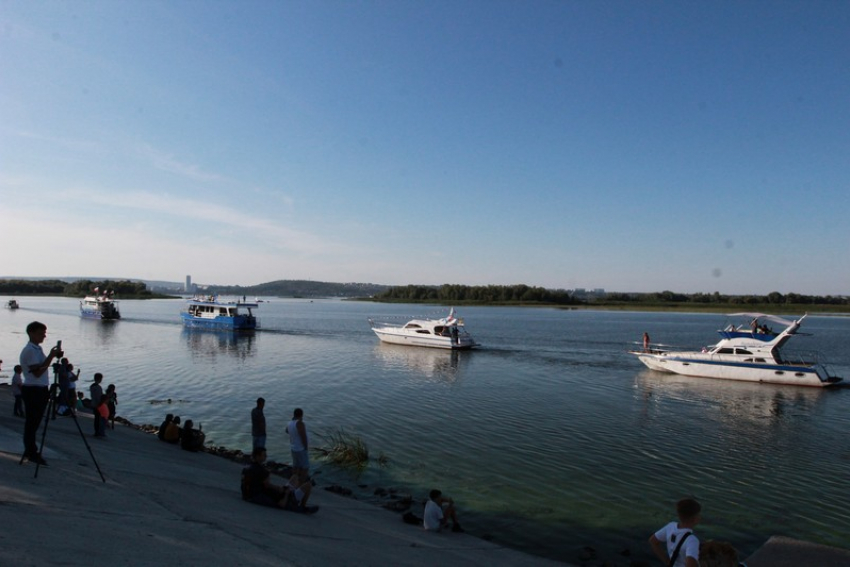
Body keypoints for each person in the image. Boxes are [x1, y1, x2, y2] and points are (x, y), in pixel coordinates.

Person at [19, 321, 63, 465]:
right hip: (33, 389)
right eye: (40, 333)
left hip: (40, 388)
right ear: (31, 333)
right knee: (32, 422)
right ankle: (31, 451)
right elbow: (37, 372)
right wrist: (51, 356)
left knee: (35, 422)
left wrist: (50, 355)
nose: (43, 336)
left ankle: (31, 450)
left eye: (44, 333)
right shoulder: (30, 350)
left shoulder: (37, 348)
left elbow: (41, 367)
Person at [241, 447, 317, 513]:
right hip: (289, 498)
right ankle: (301, 506)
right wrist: (284, 492)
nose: (266, 457)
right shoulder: (262, 472)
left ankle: (293, 493)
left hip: (251, 494)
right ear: (257, 456)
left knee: (295, 477)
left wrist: (281, 489)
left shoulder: (247, 467)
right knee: (308, 485)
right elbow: (281, 502)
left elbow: (266, 485)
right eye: (264, 455)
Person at [649, 498, 701, 567]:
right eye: (698, 515)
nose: (700, 517)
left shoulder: (670, 526)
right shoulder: (692, 540)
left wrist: (667, 561)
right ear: (694, 519)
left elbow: (653, 541)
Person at [285, 408, 310, 482]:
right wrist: (306, 447)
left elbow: (286, 431)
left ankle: (293, 482)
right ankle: (301, 483)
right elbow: (303, 436)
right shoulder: (300, 423)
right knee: (305, 467)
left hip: (293, 448)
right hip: (300, 448)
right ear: (301, 415)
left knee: (296, 466)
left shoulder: (290, 423)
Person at [90, 373, 106, 437]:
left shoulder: (92, 386)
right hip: (98, 405)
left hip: (94, 404)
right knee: (99, 419)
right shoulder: (98, 387)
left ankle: (97, 431)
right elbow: (98, 397)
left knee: (97, 419)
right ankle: (98, 432)